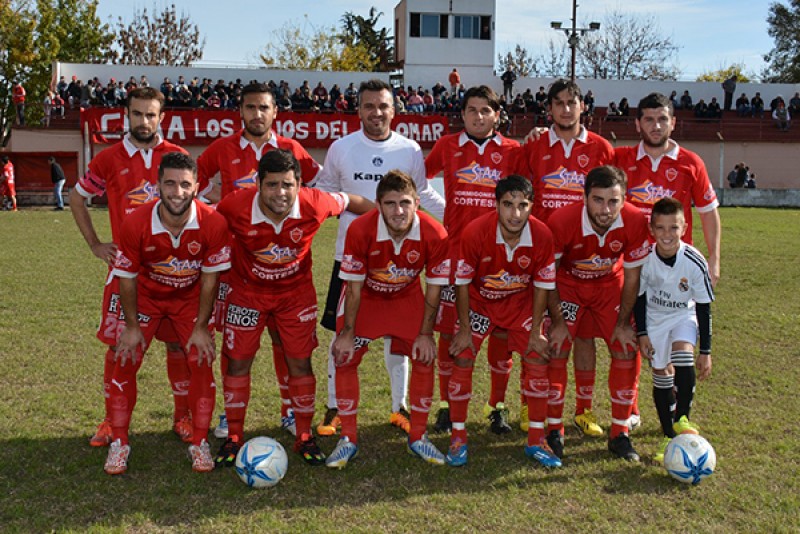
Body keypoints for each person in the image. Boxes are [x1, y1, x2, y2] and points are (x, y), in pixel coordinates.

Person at [213, 149, 371, 467]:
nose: (280, 193)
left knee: (299, 362)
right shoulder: (234, 206)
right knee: (238, 363)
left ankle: (304, 435)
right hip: (247, 293)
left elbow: (353, 201)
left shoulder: (315, 203)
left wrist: (385, 219)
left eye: (287, 184)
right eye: (272, 185)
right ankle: (234, 437)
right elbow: (205, 223)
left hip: (294, 296)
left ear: (299, 184)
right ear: (258, 185)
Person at [314, 79, 445, 439]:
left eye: (383, 106)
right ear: (358, 110)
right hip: (350, 257)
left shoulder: (409, 149)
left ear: (394, 110)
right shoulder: (341, 148)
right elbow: (325, 193)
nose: (376, 112)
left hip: (399, 259)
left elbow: (422, 194)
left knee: (399, 337)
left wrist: (458, 217)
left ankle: (398, 406)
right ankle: (334, 406)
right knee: (342, 333)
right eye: (369, 106)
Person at [69, 87, 196, 449]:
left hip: (174, 272)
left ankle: (183, 416)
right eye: (137, 114)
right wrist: (95, 244)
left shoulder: (177, 156)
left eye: (150, 115)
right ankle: (112, 420)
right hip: (127, 272)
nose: (144, 121)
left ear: (161, 118)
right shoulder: (109, 158)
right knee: (120, 349)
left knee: (178, 347)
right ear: (127, 115)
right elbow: (77, 197)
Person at [197, 82, 323, 439]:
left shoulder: (291, 149)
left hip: (285, 264)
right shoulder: (221, 148)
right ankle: (230, 413)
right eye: (250, 107)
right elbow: (195, 183)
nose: (257, 114)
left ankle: (289, 409)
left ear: (275, 112)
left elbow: (318, 184)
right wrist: (213, 209)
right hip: (237, 267)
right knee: (236, 343)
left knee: (286, 341)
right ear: (240, 111)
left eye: (263, 107)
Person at [103, 153, 231, 475]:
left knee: (201, 358)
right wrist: (132, 327)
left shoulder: (213, 222)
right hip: (146, 296)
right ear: (158, 185)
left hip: (188, 298)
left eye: (185, 184)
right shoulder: (136, 222)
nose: (177, 192)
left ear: (197, 187)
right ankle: (119, 442)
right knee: (126, 357)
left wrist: (201, 327)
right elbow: (127, 278)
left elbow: (210, 279)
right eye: (170, 183)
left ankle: (199, 441)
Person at [326, 171, 450, 469]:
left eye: (405, 203)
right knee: (344, 356)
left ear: (417, 203)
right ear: (379, 204)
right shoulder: (360, 229)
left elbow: (434, 289)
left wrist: (425, 334)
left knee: (424, 356)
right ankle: (348, 438)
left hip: (406, 298)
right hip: (367, 298)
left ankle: (418, 436)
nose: (398, 211)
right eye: (390, 204)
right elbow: (353, 288)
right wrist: (347, 333)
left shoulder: (435, 233)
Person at [425, 85, 522, 435]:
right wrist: (444, 213)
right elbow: (420, 181)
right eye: (472, 110)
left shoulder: (513, 150)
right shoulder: (447, 145)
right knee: (449, 332)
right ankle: (446, 405)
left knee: (501, 333)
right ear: (462, 114)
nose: (478, 117)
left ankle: (497, 406)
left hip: (501, 259)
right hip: (456, 255)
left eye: (485, 110)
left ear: (497, 115)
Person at [446, 175, 561, 468]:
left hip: (519, 304)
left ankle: (536, 439)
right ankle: (458, 436)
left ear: (532, 206)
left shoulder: (542, 235)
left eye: (523, 205)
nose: (515, 214)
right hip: (480, 303)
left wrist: (536, 331)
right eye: (508, 205)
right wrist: (464, 329)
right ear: (496, 204)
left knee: (537, 356)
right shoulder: (475, 232)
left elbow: (543, 286)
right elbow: (461, 283)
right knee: (462, 355)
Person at [546, 165, 651, 462]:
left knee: (625, 347)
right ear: (584, 198)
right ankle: (554, 430)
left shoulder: (635, 220)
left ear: (624, 199)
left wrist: (623, 323)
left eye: (613, 201)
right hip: (569, 285)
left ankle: (620, 433)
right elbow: (548, 276)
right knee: (556, 347)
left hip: (609, 285)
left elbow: (633, 278)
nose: (605, 210)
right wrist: (557, 321)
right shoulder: (562, 221)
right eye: (598, 200)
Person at [635, 197, 713, 462]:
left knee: (682, 354)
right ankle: (668, 435)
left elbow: (703, 307)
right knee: (661, 374)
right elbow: (639, 299)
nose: (667, 234)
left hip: (683, 315)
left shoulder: (694, 261)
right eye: (661, 228)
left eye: (674, 228)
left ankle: (681, 419)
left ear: (684, 228)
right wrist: (642, 334)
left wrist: (706, 351)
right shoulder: (645, 259)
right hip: (655, 320)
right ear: (652, 229)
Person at [615, 92, 721, 287]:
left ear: (672, 123)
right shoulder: (619, 158)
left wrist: (714, 259)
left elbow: (708, 212)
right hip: (629, 262)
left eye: (662, 119)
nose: (656, 126)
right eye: (649, 120)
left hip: (676, 264)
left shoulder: (691, 163)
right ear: (638, 124)